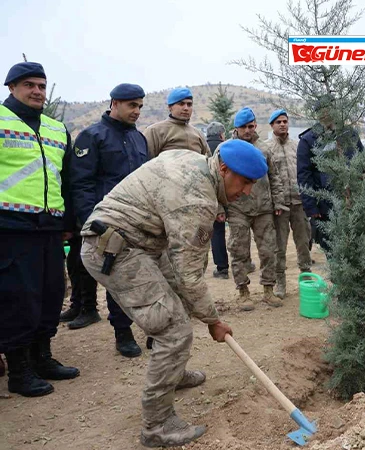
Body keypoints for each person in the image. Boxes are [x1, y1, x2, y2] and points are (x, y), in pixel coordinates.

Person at [79, 140, 263, 447]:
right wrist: (214, 321)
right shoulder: (197, 200)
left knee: (179, 304)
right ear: (224, 168)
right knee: (174, 330)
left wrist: (200, 310)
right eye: (245, 182)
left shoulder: (194, 160)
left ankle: (172, 374)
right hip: (115, 249)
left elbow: (183, 275)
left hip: (139, 242)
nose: (246, 192)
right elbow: (190, 274)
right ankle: (157, 426)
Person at [0, 62, 79, 397]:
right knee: (20, 298)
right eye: (29, 85)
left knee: (51, 293)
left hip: (50, 226)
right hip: (10, 226)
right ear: (11, 87)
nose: (37, 92)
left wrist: (68, 222)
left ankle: (42, 357)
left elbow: (68, 179)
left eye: (42, 86)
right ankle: (19, 371)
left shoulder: (56, 128)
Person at [64, 83, 151, 357]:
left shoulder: (140, 139)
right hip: (107, 223)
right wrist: (92, 222)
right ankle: (122, 334)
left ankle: (153, 330)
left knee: (147, 277)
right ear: (114, 103)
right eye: (131, 105)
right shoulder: (93, 136)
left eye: (139, 106)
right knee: (116, 279)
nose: (136, 111)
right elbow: (81, 183)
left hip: (139, 221)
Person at [226, 107, 283, 309]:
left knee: (268, 250)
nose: (248, 130)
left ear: (256, 125)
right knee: (239, 251)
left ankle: (268, 290)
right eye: (244, 127)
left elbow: (275, 177)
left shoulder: (264, 148)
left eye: (251, 126)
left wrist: (278, 201)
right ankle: (243, 292)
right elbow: (219, 181)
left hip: (263, 208)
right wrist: (219, 208)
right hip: (237, 208)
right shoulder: (227, 149)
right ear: (236, 128)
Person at [297, 95, 364, 253]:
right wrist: (311, 208)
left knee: (357, 248)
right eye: (322, 110)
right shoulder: (308, 140)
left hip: (353, 202)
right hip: (325, 207)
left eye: (329, 109)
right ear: (318, 114)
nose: (326, 114)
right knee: (333, 251)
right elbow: (304, 176)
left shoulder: (350, 134)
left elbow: (363, 163)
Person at [260, 109, 312, 298]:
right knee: (279, 247)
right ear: (272, 125)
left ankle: (306, 278)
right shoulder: (266, 148)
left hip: (299, 202)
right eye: (278, 122)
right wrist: (274, 203)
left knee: (303, 243)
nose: (282, 124)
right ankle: (280, 282)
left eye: (285, 121)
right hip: (279, 206)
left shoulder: (298, 146)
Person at [143, 87, 210, 158]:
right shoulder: (155, 131)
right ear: (170, 107)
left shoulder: (198, 134)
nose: (186, 108)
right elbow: (146, 162)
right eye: (181, 104)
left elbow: (208, 161)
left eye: (189, 104)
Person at [205, 121, 230, 279]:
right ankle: (245, 263)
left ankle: (222, 268)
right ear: (222, 135)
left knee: (217, 233)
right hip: (230, 196)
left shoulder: (201, 149)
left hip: (210, 198)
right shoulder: (226, 148)